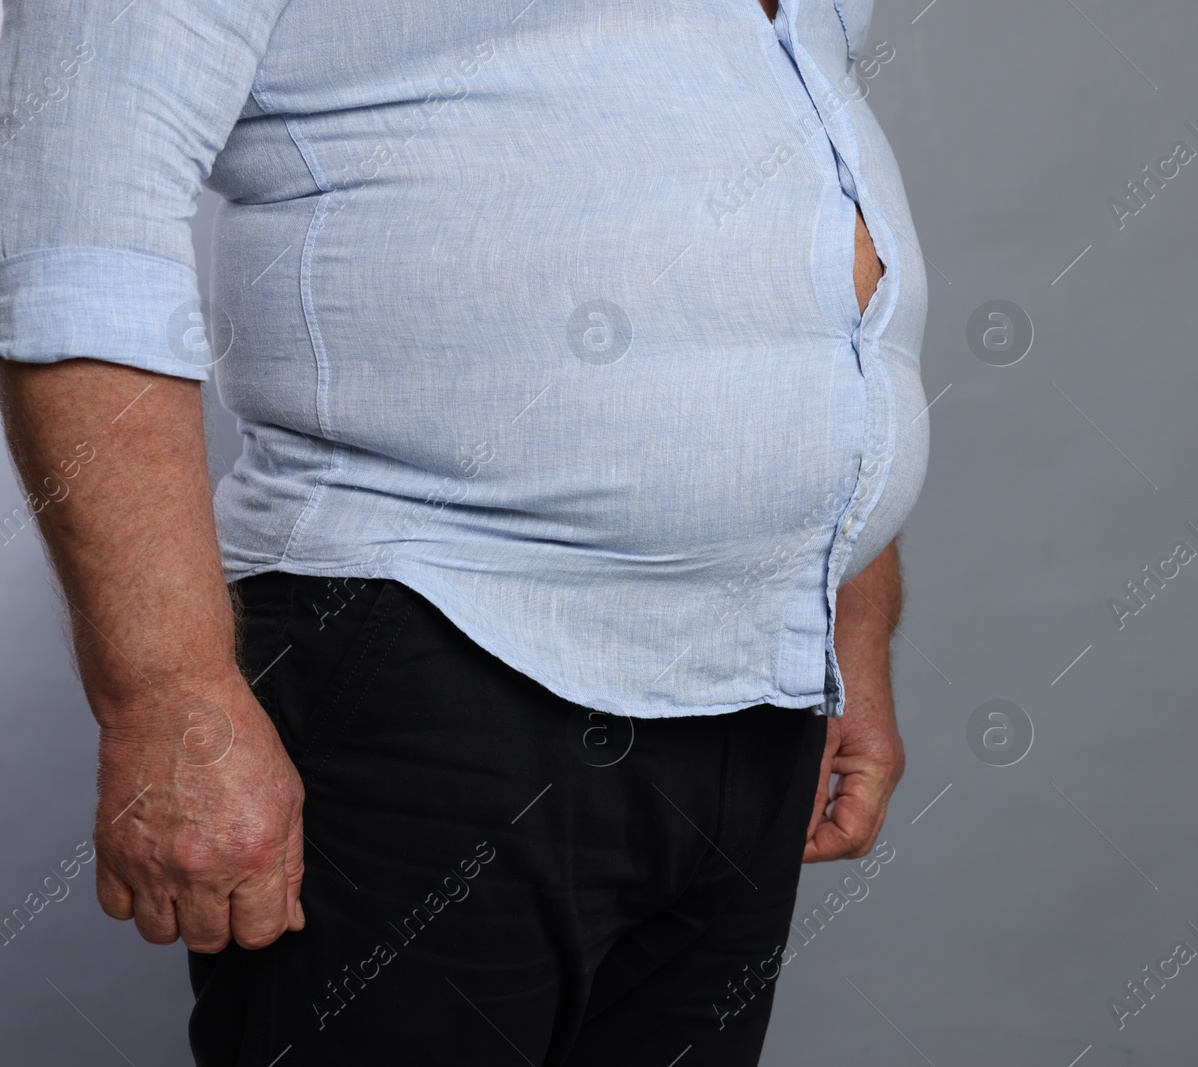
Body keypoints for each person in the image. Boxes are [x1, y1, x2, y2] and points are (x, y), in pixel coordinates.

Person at [0, 0, 928, 1061]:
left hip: (755, 697)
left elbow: (817, 254)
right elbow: (77, 229)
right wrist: (166, 696)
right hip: (431, 653)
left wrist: (843, 627)